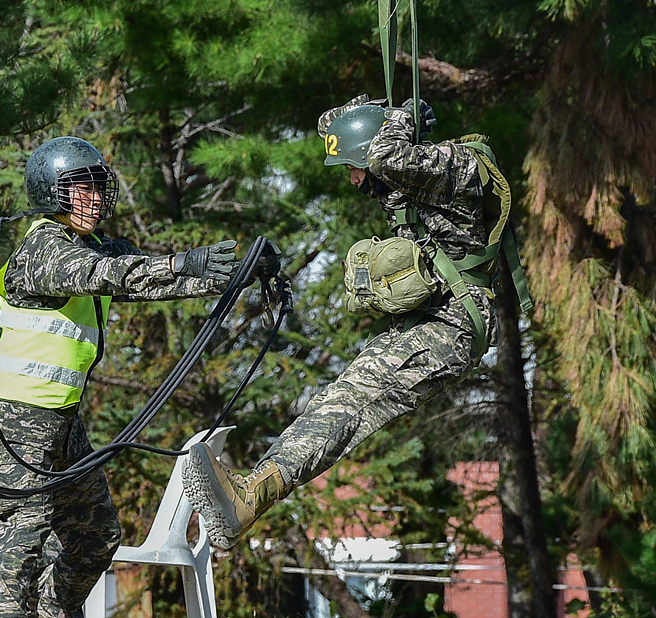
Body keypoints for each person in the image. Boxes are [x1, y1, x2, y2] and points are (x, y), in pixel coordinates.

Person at [183, 95, 527, 549]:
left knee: (351, 403)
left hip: (453, 328)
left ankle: (247, 501)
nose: (353, 179)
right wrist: (366, 110)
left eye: (353, 166)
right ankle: (249, 496)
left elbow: (386, 154)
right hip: (430, 322)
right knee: (337, 400)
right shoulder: (402, 173)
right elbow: (346, 135)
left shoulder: (451, 166)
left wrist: (399, 118)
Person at [0, 136, 265, 618]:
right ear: (51, 193)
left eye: (96, 188)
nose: (92, 199)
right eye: (79, 188)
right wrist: (177, 262)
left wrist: (243, 272)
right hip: (19, 417)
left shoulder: (91, 245)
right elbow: (107, 274)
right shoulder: (44, 246)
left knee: (96, 533)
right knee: (23, 533)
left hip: (63, 420)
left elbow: (148, 276)